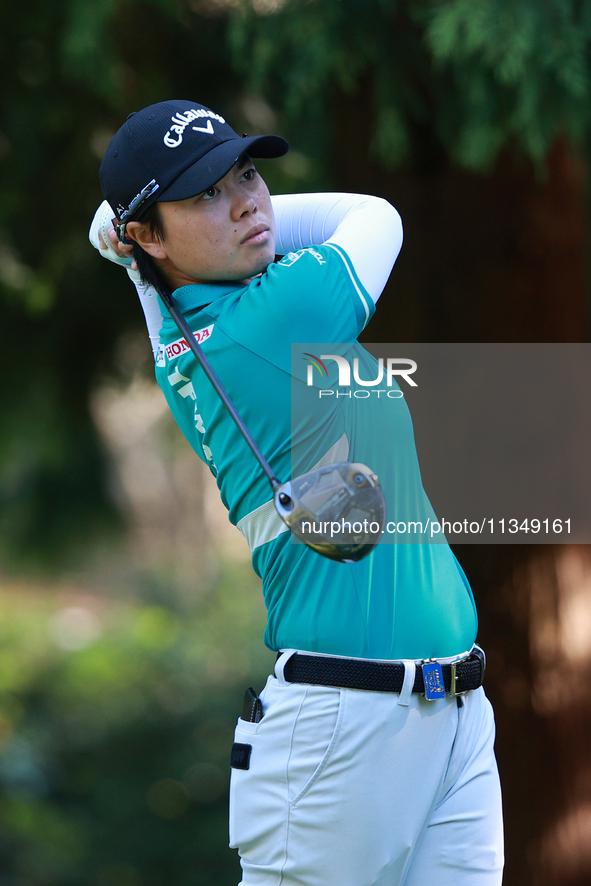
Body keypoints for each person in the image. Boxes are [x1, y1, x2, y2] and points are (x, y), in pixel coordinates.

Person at [90, 99, 504, 886]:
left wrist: (129, 253)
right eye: (205, 193)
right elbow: (372, 215)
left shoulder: (193, 335)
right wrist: (118, 241)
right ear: (145, 233)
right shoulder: (274, 318)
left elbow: (162, 289)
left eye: (246, 173)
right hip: (342, 732)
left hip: (450, 714)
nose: (247, 200)